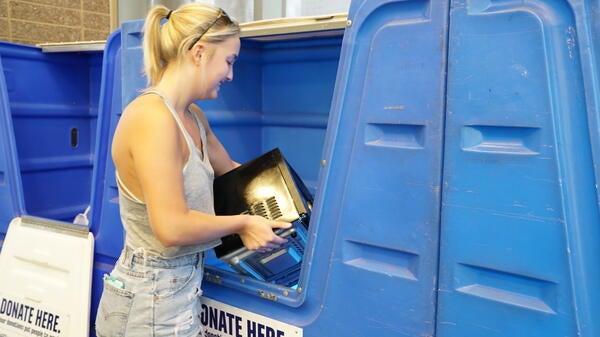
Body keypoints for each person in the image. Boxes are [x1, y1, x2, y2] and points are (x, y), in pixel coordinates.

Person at [95, 3, 291, 337]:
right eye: (229, 61)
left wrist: (297, 204)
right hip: (149, 298)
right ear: (199, 52)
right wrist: (244, 223)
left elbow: (233, 173)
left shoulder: (193, 117)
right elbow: (171, 227)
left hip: (175, 290)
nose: (230, 75)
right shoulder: (152, 118)